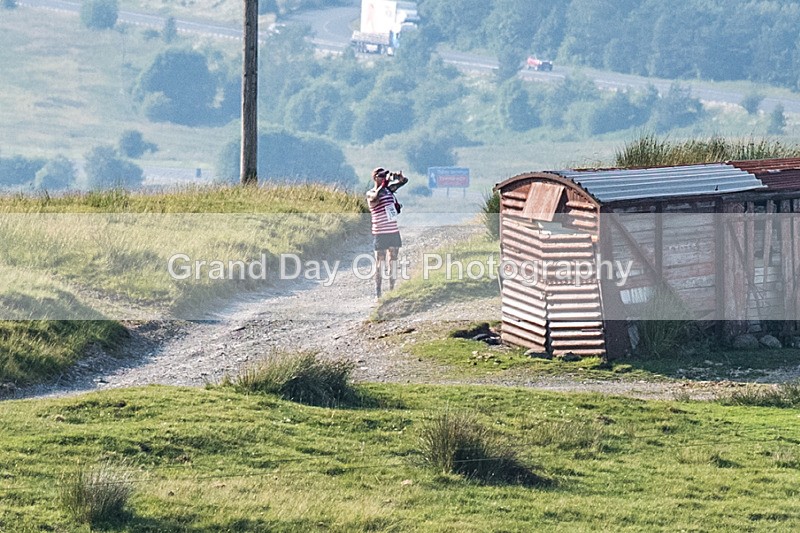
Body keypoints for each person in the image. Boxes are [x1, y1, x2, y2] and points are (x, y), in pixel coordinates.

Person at [366, 166, 408, 300]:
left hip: (393, 231)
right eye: (381, 176)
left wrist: (398, 178)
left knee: (393, 261)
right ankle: (378, 292)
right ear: (375, 178)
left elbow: (404, 181)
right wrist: (383, 185)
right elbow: (375, 198)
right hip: (380, 232)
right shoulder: (371, 192)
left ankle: (392, 290)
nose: (383, 178)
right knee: (380, 262)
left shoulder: (389, 190)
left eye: (385, 176)